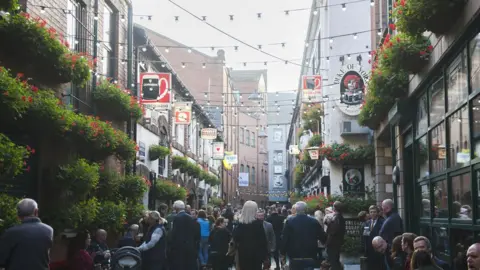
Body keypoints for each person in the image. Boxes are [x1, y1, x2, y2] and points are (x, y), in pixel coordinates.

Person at [0, 198, 54, 270]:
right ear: (36, 211)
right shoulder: (49, 230)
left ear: (18, 214)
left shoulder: (11, 232)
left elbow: (2, 259)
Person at [281, 201, 327, 270]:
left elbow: (284, 238)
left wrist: (282, 252)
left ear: (296, 209)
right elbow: (322, 237)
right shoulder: (313, 221)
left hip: (294, 254)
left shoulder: (289, 221)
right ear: (306, 209)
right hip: (310, 253)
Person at [232, 200, 268, 270]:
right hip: (257, 256)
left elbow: (235, 238)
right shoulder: (258, 224)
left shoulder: (239, 224)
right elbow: (263, 241)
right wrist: (265, 256)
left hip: (243, 254)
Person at [169, 200, 200, 270]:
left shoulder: (177, 218)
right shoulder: (190, 218)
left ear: (176, 208)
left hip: (179, 247)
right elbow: (195, 234)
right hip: (189, 245)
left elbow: (174, 233)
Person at [325, 201, 346, 270]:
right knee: (335, 261)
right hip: (337, 242)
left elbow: (332, 232)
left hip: (333, 243)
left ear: (334, 208)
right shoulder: (340, 217)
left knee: (334, 262)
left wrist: (327, 243)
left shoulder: (336, 218)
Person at [364, 205, 385, 270]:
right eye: (371, 212)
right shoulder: (367, 223)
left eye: (374, 212)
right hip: (369, 250)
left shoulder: (382, 222)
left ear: (377, 213)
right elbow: (365, 236)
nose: (373, 213)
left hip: (378, 249)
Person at [267, 206, 286, 270]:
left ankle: (277, 265)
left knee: (275, 253)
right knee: (282, 252)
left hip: (272, 237)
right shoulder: (282, 218)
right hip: (281, 237)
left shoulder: (268, 218)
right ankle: (283, 265)